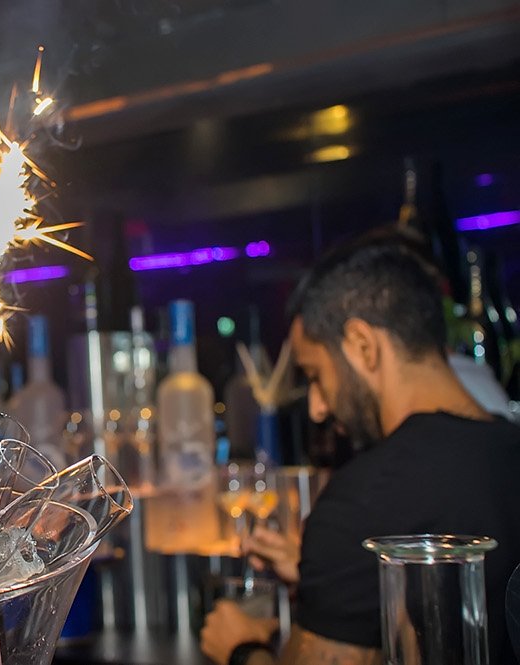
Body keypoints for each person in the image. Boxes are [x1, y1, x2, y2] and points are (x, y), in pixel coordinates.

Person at [201, 236, 520, 664]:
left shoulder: (362, 501)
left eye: (316, 375)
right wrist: (327, 577)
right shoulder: (509, 450)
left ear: (363, 346)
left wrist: (242, 650)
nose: (316, 408)